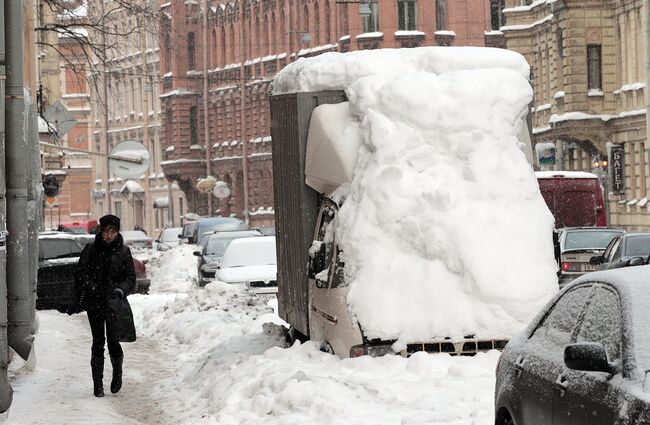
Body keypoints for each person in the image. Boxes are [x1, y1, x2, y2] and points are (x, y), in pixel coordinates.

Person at [74, 214, 135, 398]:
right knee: (98, 341)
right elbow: (80, 273)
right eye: (106, 231)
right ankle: (97, 385)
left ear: (117, 232)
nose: (108, 235)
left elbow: (130, 278)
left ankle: (117, 374)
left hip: (114, 304)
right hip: (96, 302)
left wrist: (120, 290)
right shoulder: (91, 250)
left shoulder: (123, 252)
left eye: (112, 232)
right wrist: (92, 286)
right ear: (100, 231)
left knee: (113, 341)